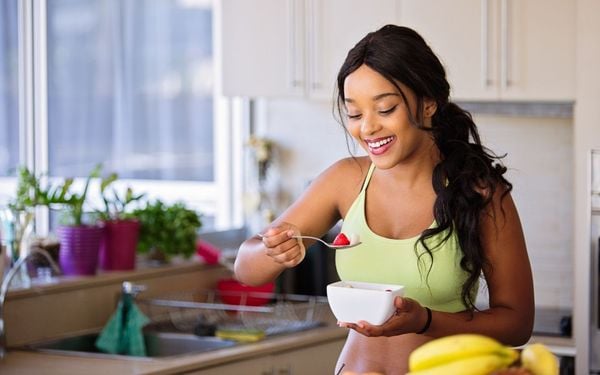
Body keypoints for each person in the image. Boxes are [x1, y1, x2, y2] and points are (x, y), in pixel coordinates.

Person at [234, 24, 534, 374]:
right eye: (355, 114)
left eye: (386, 109)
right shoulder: (346, 180)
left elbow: (517, 323)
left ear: (428, 104)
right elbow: (246, 269)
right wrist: (272, 252)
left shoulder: (479, 193)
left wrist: (425, 321)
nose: (368, 128)